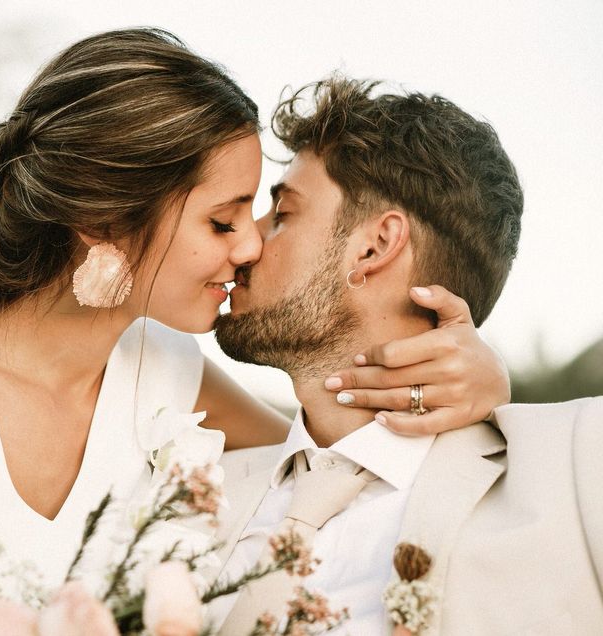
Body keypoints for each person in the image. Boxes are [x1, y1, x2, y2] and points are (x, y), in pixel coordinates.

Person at [0, 29, 508, 589]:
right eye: (222, 222)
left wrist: (484, 392)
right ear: (103, 220)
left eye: (262, 213)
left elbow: (326, 455)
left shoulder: (167, 375)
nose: (250, 246)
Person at [207, 77, 603, 634]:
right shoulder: (188, 488)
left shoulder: (578, 460)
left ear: (374, 246)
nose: (246, 242)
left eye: (284, 213)